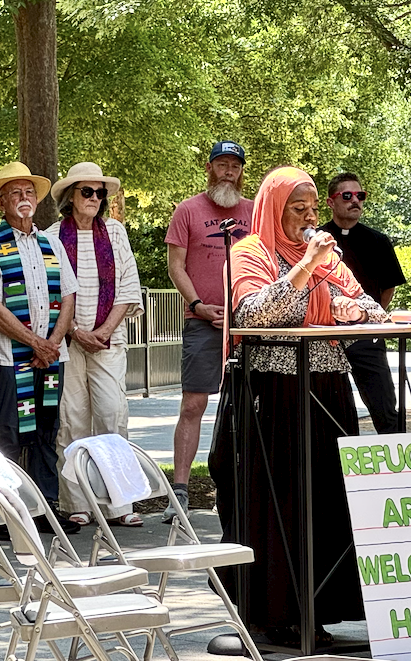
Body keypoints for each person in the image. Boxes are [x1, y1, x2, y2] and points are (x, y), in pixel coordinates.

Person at [211, 166, 384, 646]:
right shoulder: (251, 252)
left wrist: (350, 308)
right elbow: (253, 313)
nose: (310, 217)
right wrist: (306, 267)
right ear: (273, 208)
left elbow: (372, 308)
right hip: (274, 394)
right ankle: (272, 615)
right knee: (281, 500)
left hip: (328, 388)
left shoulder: (329, 258)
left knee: (326, 497)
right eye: (298, 208)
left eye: (312, 208)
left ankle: (317, 610)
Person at [0, 161, 80, 534]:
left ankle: (44, 509)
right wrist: (36, 343)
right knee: (10, 435)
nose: (24, 198)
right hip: (11, 360)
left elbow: (69, 296)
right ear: (2, 202)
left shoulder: (52, 243)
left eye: (29, 192)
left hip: (51, 358)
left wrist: (52, 345)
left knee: (47, 430)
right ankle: (5, 513)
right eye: (15, 192)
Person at [44, 163, 143, 527]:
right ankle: (76, 502)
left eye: (100, 193)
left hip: (107, 340)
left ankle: (120, 503)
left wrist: (103, 330)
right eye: (87, 191)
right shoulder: (52, 236)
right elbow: (50, 293)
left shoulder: (115, 231)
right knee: (72, 420)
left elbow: (128, 286)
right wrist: (74, 332)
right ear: (70, 196)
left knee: (112, 415)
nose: (95, 198)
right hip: (68, 342)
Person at [163, 141, 254, 520]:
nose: (228, 171)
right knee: (193, 404)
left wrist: (244, 309)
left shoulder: (254, 212)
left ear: (242, 171)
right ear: (209, 168)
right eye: (222, 164)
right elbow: (175, 266)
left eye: (235, 166)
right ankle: (179, 492)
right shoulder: (188, 210)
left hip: (248, 325)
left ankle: (246, 486)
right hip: (202, 321)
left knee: (250, 407)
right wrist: (198, 304)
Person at [319, 172, 405, 434]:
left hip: (367, 334)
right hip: (325, 336)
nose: (355, 200)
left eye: (360, 195)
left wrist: (368, 316)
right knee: (329, 411)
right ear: (330, 202)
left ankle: (395, 457)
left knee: (384, 408)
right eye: (347, 196)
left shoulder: (378, 241)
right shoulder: (316, 240)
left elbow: (388, 287)